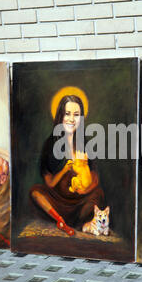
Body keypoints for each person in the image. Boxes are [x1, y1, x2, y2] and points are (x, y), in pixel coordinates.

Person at [30, 95, 105, 236]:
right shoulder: (50, 143)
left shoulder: (86, 142)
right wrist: (65, 169)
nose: (71, 119)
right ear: (60, 116)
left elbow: (95, 176)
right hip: (57, 200)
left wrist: (84, 190)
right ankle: (59, 219)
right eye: (67, 114)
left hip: (80, 200)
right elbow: (50, 183)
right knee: (36, 193)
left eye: (76, 115)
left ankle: (79, 220)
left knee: (98, 194)